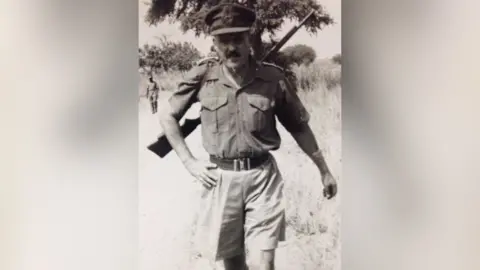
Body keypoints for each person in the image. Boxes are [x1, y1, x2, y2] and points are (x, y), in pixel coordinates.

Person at [158, 3, 337, 270]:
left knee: (264, 262)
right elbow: (167, 116)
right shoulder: (202, 76)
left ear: (249, 39)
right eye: (224, 40)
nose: (232, 47)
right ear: (213, 43)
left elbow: (299, 127)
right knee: (233, 263)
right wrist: (189, 162)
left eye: (238, 39)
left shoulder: (272, 78)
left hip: (263, 179)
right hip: (220, 180)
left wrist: (324, 170)